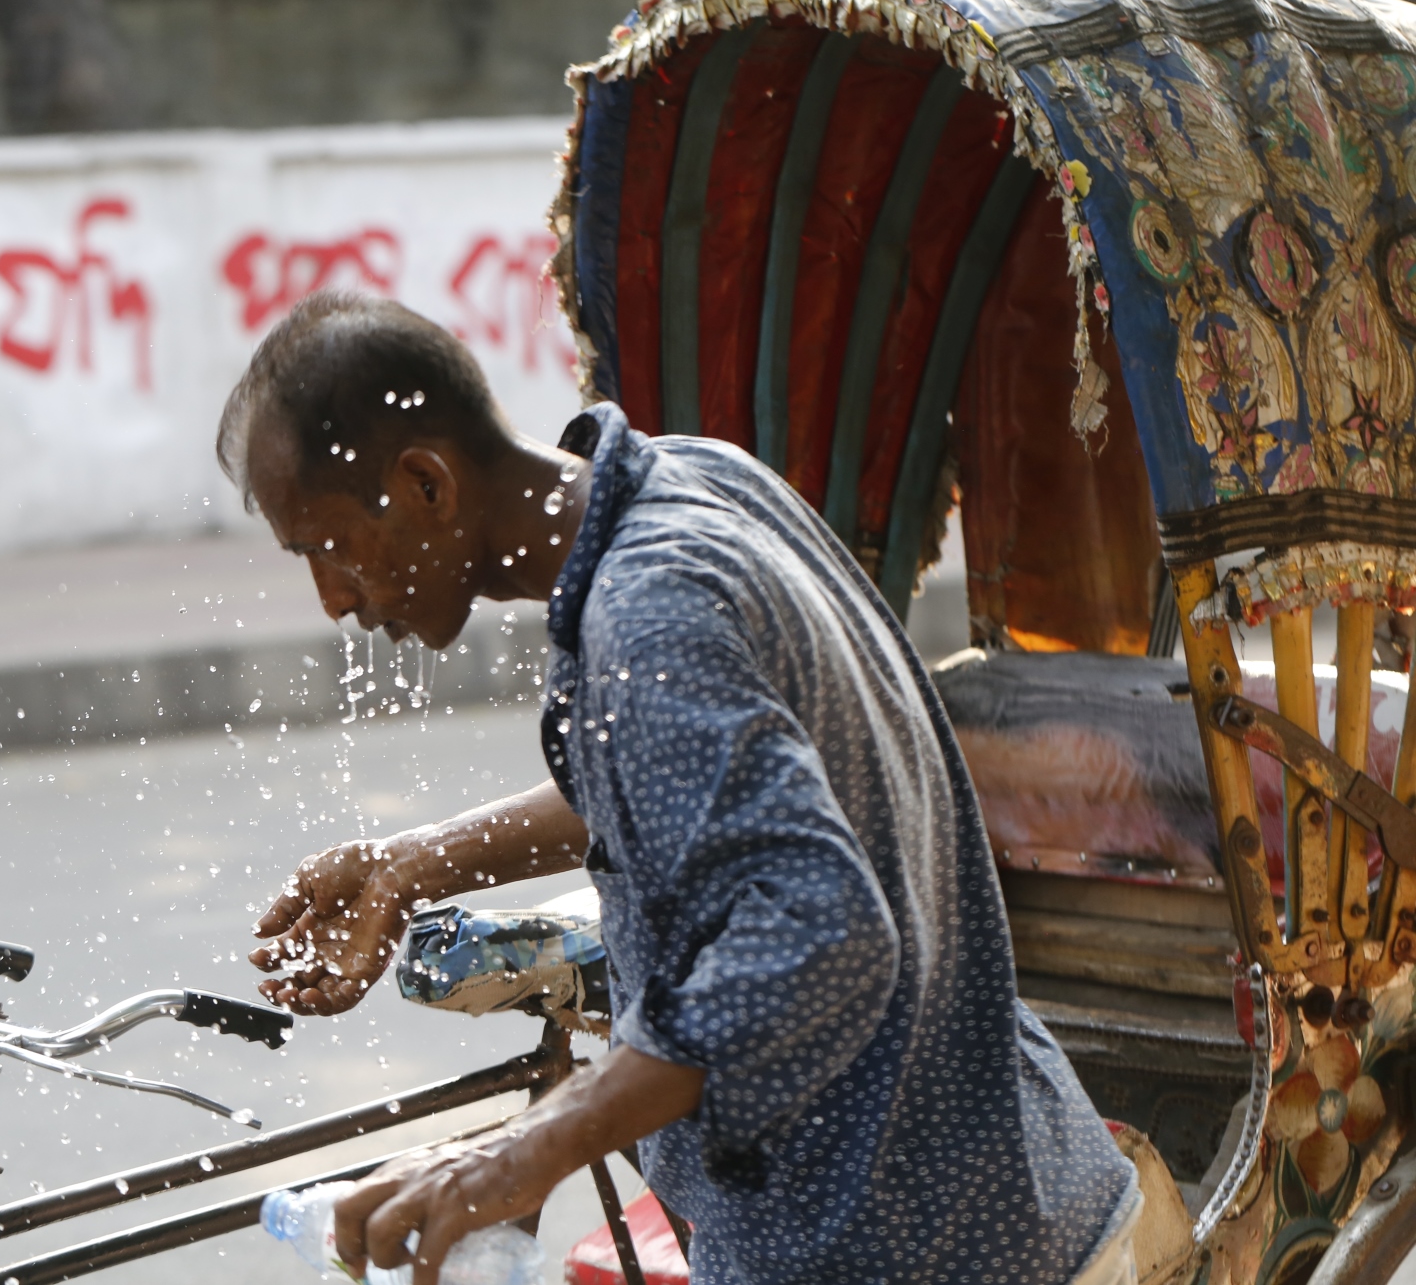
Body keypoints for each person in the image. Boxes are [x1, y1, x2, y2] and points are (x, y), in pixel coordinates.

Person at [217, 290, 1139, 1285]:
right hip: (1017, 1172)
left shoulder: (646, 614)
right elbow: (680, 784)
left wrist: (517, 1155)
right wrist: (413, 863)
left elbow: (820, 924)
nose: (333, 599)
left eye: (325, 547)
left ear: (425, 482)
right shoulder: (690, 477)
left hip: (911, 1245)